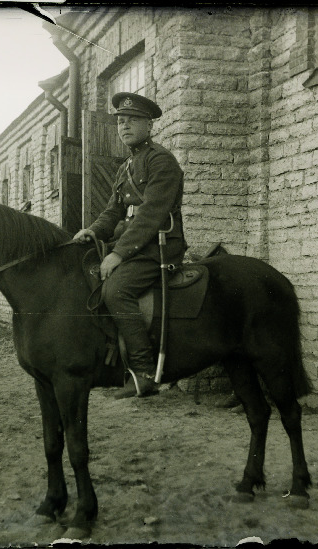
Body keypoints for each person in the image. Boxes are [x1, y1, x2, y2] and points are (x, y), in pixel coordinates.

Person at [73, 92, 186, 399]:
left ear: (149, 126)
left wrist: (119, 255)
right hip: (136, 243)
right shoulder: (126, 167)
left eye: (132, 121)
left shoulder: (162, 162)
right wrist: (93, 232)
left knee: (116, 290)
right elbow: (113, 211)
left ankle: (145, 372)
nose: (124, 126)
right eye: (121, 121)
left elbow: (150, 216)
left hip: (160, 244)